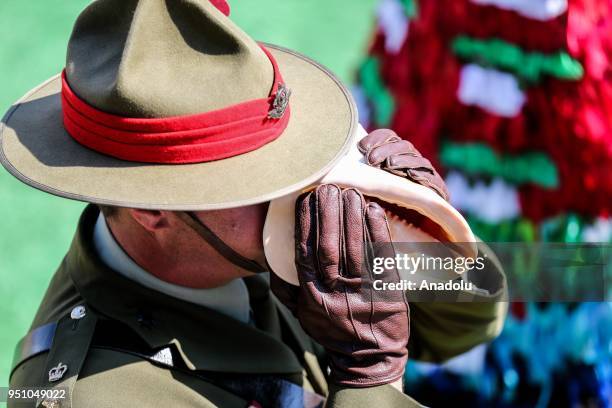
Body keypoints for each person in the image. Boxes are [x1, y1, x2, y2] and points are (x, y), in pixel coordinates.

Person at [1, 1, 507, 407]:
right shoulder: (91, 395)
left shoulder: (253, 239)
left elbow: (466, 329)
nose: (301, 182)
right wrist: (370, 380)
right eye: (250, 176)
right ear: (151, 210)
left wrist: (432, 232)